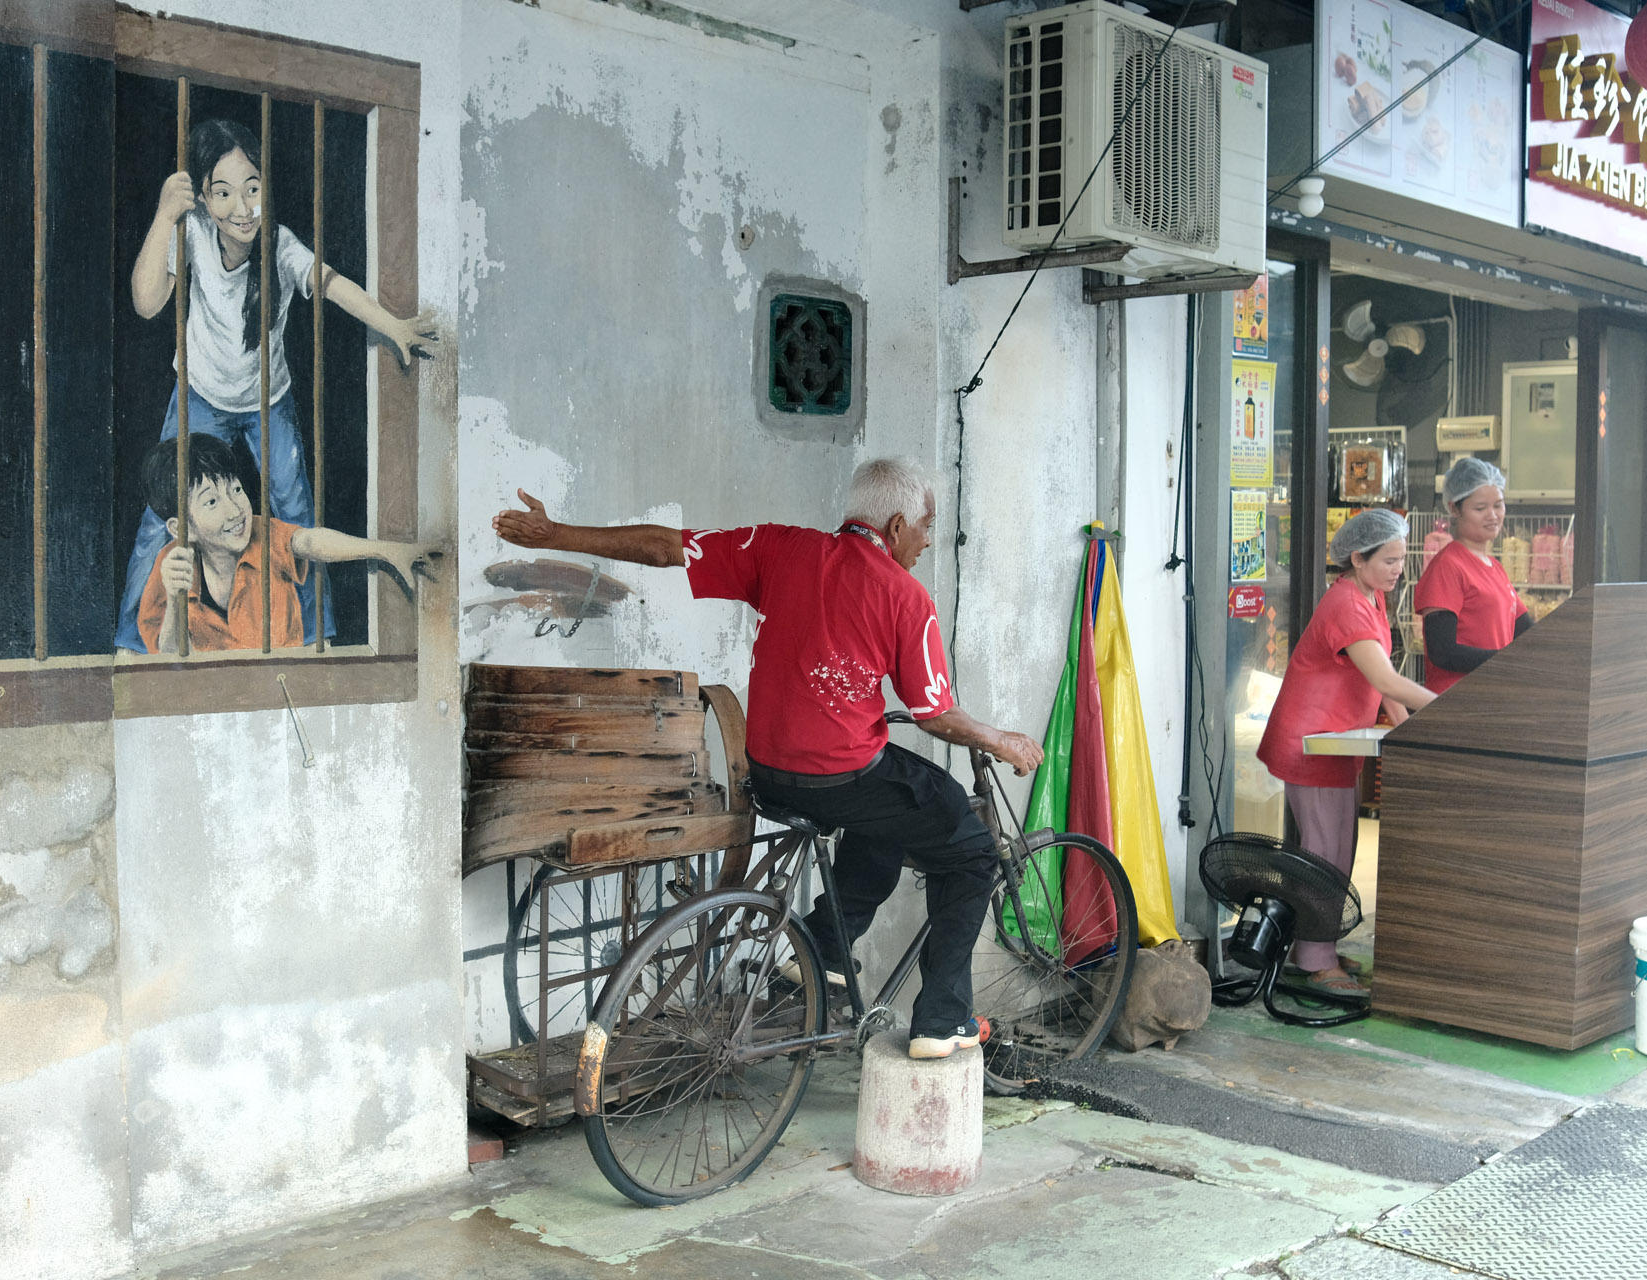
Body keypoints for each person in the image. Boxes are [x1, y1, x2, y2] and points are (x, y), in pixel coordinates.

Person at [492, 458, 1044, 1059]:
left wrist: (559, 535)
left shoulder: (779, 548)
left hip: (772, 777)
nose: (928, 541)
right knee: (969, 851)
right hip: (839, 777)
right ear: (895, 523)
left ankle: (825, 959)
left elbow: (664, 548)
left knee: (893, 810)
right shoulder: (905, 597)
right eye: (926, 527)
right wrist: (1001, 739)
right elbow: (935, 714)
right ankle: (943, 1021)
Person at [117, 117, 440, 653]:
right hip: (197, 392)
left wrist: (395, 327)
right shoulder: (192, 231)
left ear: (266, 187)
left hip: (268, 402)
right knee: (164, 519)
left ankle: (315, 639)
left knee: (295, 520)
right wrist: (163, 215)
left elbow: (336, 288)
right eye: (223, 193)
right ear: (202, 196)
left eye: (252, 188)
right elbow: (146, 302)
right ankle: (132, 645)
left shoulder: (281, 246)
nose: (242, 208)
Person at [1256, 509, 1435, 997]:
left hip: (1336, 744)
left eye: (1402, 559)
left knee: (1341, 849)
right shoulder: (1346, 605)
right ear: (1358, 558)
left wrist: (1411, 727)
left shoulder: (1372, 598)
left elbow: (1382, 684)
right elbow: (1385, 679)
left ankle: (1321, 947)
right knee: (1322, 852)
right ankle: (1313, 958)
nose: (1399, 569)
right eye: (1390, 560)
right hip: (1311, 744)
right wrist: (1447, 707)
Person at [137, 435, 435, 654]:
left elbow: (309, 540)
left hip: (281, 687)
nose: (235, 510)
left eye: (236, 489)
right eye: (212, 501)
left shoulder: (263, 534)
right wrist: (176, 599)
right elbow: (171, 661)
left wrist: (385, 549)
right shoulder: (171, 565)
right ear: (182, 528)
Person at [1415, 457, 1532, 695]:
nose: (1492, 515)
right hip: (1458, 700)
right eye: (1480, 508)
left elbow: (1527, 631)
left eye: (1498, 505)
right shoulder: (1448, 566)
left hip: (1491, 697)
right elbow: (1443, 652)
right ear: (1454, 508)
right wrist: (1506, 663)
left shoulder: (1495, 568)